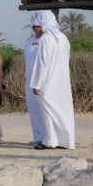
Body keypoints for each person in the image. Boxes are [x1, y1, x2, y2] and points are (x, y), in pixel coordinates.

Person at [30, 10, 75, 150]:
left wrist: (36, 83)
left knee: (48, 111)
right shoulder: (63, 38)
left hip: (48, 81)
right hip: (62, 81)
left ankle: (50, 141)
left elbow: (42, 62)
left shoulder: (46, 38)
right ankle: (66, 141)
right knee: (62, 111)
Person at [24, 17, 47, 147]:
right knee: (34, 110)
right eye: (35, 27)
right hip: (29, 79)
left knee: (44, 109)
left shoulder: (47, 40)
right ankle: (38, 137)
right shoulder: (29, 41)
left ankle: (47, 138)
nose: (37, 29)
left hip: (43, 80)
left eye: (39, 26)